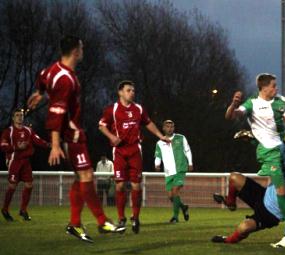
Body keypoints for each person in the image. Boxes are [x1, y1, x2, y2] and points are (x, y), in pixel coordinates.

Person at [28, 35, 124, 242]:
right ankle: (102, 221)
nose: (83, 48)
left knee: (80, 178)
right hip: (71, 135)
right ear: (75, 52)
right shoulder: (66, 79)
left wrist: (39, 93)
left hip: (71, 133)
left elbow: (43, 79)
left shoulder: (53, 70)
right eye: (81, 46)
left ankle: (75, 224)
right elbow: (56, 112)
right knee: (87, 176)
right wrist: (55, 144)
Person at [225, 73, 285, 222]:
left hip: (284, 150)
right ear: (264, 87)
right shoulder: (252, 103)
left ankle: (272, 214)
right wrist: (233, 105)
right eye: (273, 85)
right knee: (281, 191)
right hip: (269, 153)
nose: (276, 88)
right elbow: (231, 116)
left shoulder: (280, 102)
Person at [99, 80, 170, 233]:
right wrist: (111, 137)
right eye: (129, 90)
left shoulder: (138, 109)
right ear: (120, 92)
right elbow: (101, 125)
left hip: (135, 151)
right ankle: (121, 218)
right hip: (119, 151)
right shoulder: (112, 109)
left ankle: (136, 217)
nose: (132, 92)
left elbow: (148, 123)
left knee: (136, 185)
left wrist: (160, 136)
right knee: (119, 185)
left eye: (133, 90)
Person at [211, 156, 285, 248]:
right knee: (234, 177)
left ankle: (228, 240)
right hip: (262, 195)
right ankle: (230, 203)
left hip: (269, 215)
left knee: (243, 228)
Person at [1, 108, 49, 221]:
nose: (20, 117)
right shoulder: (8, 131)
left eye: (21, 115)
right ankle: (5, 209)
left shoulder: (28, 130)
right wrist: (17, 147)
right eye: (17, 115)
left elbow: (38, 140)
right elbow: (3, 146)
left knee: (29, 185)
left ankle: (23, 210)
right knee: (12, 186)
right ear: (13, 118)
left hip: (25, 161)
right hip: (14, 161)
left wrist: (49, 144)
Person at [154, 120, 192, 223]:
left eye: (172, 126)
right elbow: (158, 155)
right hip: (168, 171)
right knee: (171, 196)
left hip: (180, 168)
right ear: (163, 128)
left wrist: (190, 163)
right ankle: (183, 207)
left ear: (174, 128)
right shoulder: (160, 142)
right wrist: (157, 164)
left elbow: (187, 150)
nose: (170, 128)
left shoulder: (181, 138)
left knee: (175, 191)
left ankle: (175, 217)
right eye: (168, 126)